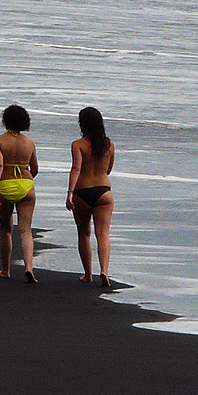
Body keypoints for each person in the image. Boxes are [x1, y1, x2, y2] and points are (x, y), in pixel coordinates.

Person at [66, 106, 115, 287]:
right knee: (103, 234)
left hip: (82, 192)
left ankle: (88, 274)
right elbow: (108, 169)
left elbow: (76, 168)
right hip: (103, 192)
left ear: (82, 124)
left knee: (84, 233)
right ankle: (104, 270)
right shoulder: (108, 145)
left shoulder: (77, 145)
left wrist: (70, 193)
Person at [0, 104, 39, 283]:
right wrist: (27, 180)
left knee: (6, 229)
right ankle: (29, 268)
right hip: (26, 185)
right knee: (26, 230)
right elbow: (35, 168)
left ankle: (6, 270)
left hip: (5, 184)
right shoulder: (29, 143)